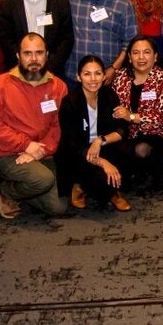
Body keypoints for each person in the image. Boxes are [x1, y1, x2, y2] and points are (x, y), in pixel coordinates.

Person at [0, 32, 69, 219]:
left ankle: (24, 188)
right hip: (7, 153)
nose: (34, 59)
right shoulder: (1, 84)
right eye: (27, 53)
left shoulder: (59, 86)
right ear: (18, 56)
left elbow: (58, 126)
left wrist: (40, 150)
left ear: (47, 55)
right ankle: (5, 191)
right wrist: (26, 145)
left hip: (42, 153)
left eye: (39, 53)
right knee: (43, 179)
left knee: (59, 207)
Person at [58, 55, 132, 212]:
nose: (93, 79)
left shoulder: (109, 96)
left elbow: (122, 130)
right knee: (101, 184)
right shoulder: (70, 102)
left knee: (128, 152)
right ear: (78, 77)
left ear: (104, 76)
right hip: (78, 152)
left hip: (102, 145)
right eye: (87, 74)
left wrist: (100, 141)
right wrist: (103, 163)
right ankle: (80, 186)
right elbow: (72, 144)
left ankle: (113, 190)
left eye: (98, 73)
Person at [110, 35, 163, 191]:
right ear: (128, 57)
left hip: (157, 133)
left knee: (141, 149)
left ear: (155, 56)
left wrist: (132, 116)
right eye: (135, 52)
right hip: (127, 132)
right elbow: (113, 108)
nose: (141, 57)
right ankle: (137, 172)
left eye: (146, 52)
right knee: (118, 150)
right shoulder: (120, 77)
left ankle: (160, 173)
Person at [68, 0, 137, 79]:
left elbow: (130, 43)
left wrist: (114, 68)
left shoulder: (123, 5)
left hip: (109, 76)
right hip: (75, 75)